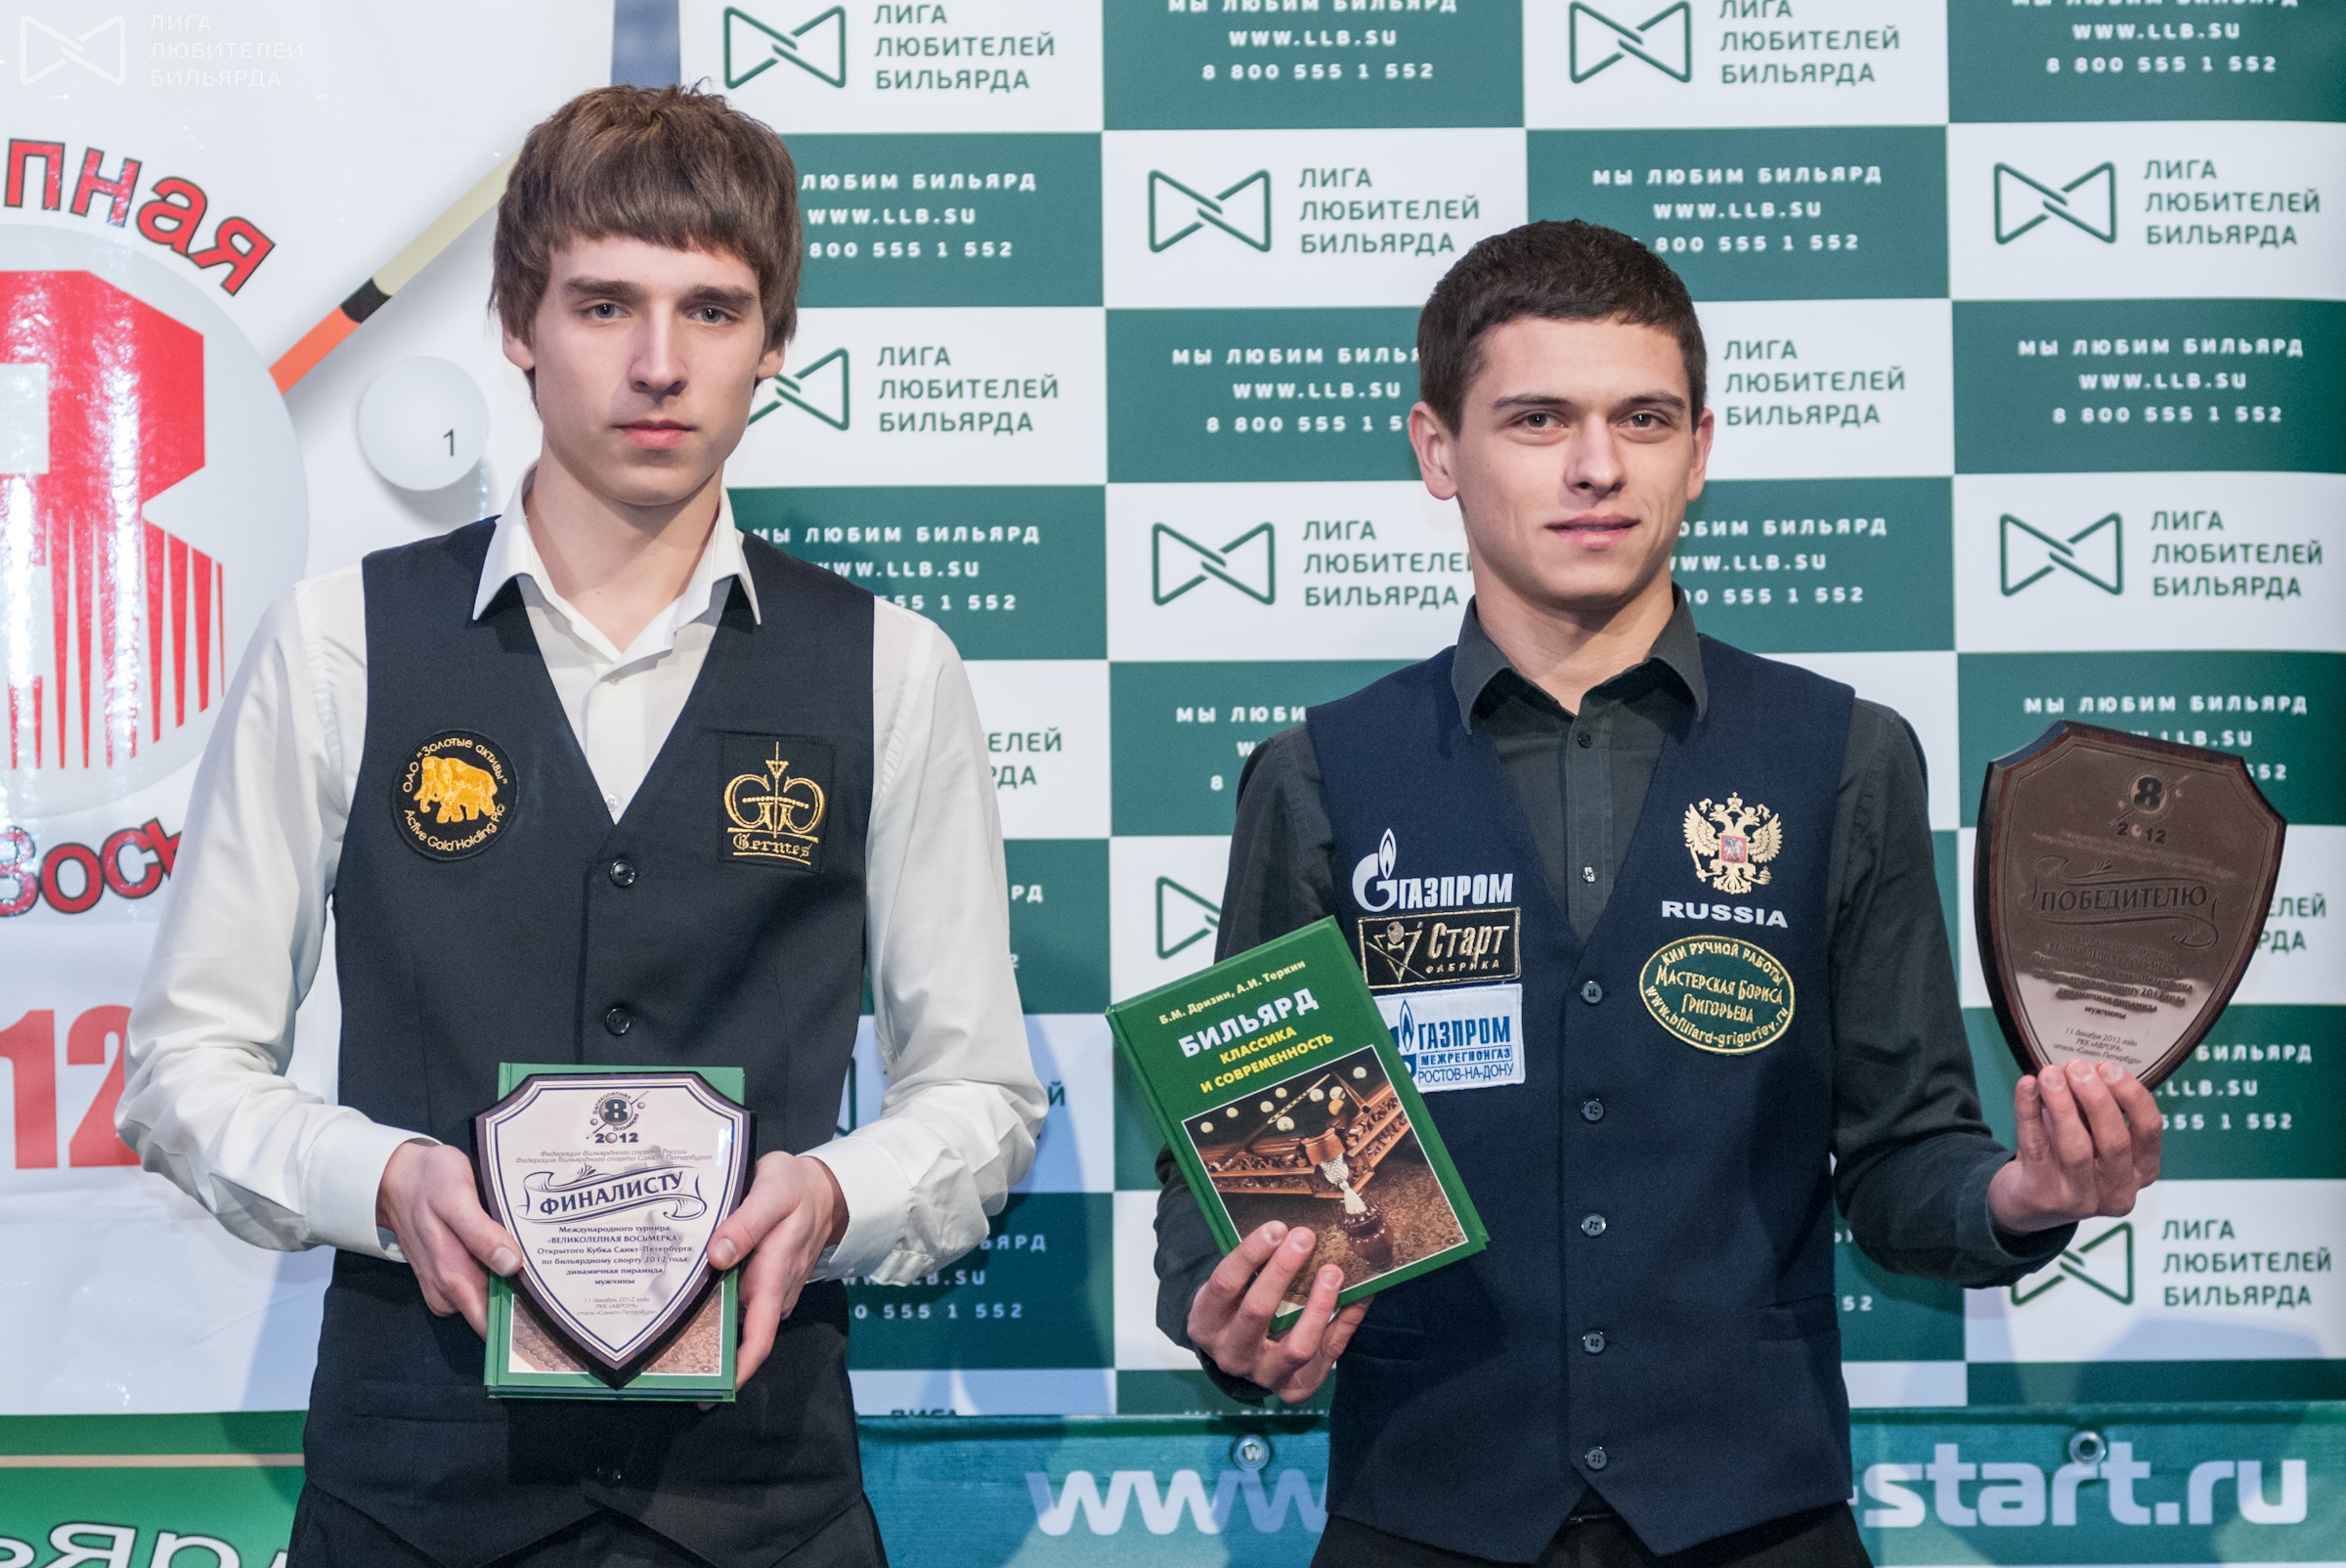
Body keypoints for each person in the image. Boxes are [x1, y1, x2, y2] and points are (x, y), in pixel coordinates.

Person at [120, 86, 1043, 1568]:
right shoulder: (338, 643)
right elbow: (185, 1070)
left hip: (764, 1500)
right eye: (606, 304)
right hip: (412, 1495)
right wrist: (385, 1182)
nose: (659, 363)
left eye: (713, 310)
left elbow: (981, 1096)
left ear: (775, 341)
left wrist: (831, 1194)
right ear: (516, 323)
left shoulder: (892, 666)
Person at [1152, 220, 2163, 1567]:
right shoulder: (1321, 773)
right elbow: (1240, 1161)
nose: (1597, 466)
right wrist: (1226, 1312)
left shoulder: (1843, 755)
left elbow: (1903, 1157)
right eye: (1537, 419)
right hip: (1428, 1509)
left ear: (1699, 450)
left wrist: (2026, 1194)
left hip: (1758, 1517)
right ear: (1438, 452)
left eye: (1643, 418)